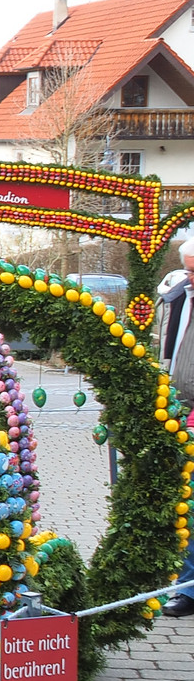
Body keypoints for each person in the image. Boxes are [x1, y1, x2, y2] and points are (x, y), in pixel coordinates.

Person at [155, 244, 194, 616]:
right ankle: (187, 585)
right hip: (182, 407)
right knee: (187, 501)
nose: (192, 278)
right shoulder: (177, 296)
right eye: (189, 271)